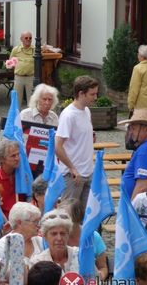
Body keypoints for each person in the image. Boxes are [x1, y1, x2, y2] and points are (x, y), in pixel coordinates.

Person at [55, 76, 98, 211]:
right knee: (68, 216)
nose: (95, 97)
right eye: (92, 94)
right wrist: (72, 168)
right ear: (81, 93)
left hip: (88, 171)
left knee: (86, 216)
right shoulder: (68, 115)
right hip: (73, 175)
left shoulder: (86, 111)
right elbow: (58, 146)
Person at [61, 199, 108, 281]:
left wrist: (99, 278)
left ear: (77, 218)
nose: (61, 222)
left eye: (65, 218)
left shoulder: (93, 236)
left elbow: (103, 267)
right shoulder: (57, 238)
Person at [29, 209, 79, 273]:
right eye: (54, 234)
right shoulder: (37, 262)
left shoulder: (79, 255)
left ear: (68, 235)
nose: (59, 238)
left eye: (63, 233)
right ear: (45, 236)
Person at [0, 202, 43, 267]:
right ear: (19, 222)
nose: (39, 225)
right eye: (35, 221)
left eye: (39, 221)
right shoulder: (4, 243)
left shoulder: (40, 241)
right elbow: (7, 272)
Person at [120, 110, 147, 200]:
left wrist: (131, 211)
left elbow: (142, 186)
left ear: (146, 130)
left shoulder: (145, 151)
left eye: (134, 128)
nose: (131, 132)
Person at [0, 139, 23, 217]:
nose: (17, 158)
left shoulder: (22, 174)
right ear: (1, 159)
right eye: (13, 156)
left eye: (18, 154)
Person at [10, 31, 34, 107]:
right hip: (19, 77)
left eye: (30, 38)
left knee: (32, 102)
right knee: (16, 101)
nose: (28, 39)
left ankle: (30, 118)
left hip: (31, 77)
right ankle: (16, 117)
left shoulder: (35, 49)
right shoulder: (16, 50)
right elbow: (11, 62)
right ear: (21, 39)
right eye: (26, 38)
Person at [128, 45, 147, 111]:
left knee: (142, 121)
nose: (137, 55)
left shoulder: (138, 68)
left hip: (143, 106)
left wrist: (131, 104)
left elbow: (134, 89)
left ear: (142, 56)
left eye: (138, 53)